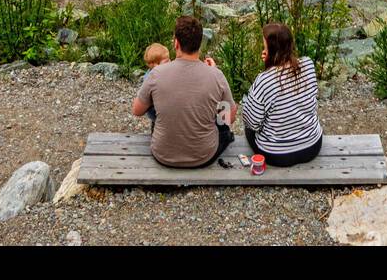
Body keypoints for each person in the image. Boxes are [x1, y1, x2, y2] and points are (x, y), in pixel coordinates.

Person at [132, 16, 236, 167]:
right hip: (203, 156)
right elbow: (228, 119)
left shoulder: (156, 74)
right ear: (200, 44)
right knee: (224, 130)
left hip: (163, 154)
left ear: (176, 43)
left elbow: (137, 110)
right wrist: (213, 74)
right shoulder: (216, 75)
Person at [240, 22, 323, 167]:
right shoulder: (308, 64)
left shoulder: (264, 80)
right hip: (312, 146)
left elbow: (251, 122)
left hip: (277, 154)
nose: (263, 49)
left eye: (265, 47)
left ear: (271, 50)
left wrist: (268, 69)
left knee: (248, 129)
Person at [141, 42, 170, 129]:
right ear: (156, 65)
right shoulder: (150, 79)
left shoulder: (165, 73)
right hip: (156, 114)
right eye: (167, 61)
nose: (171, 62)